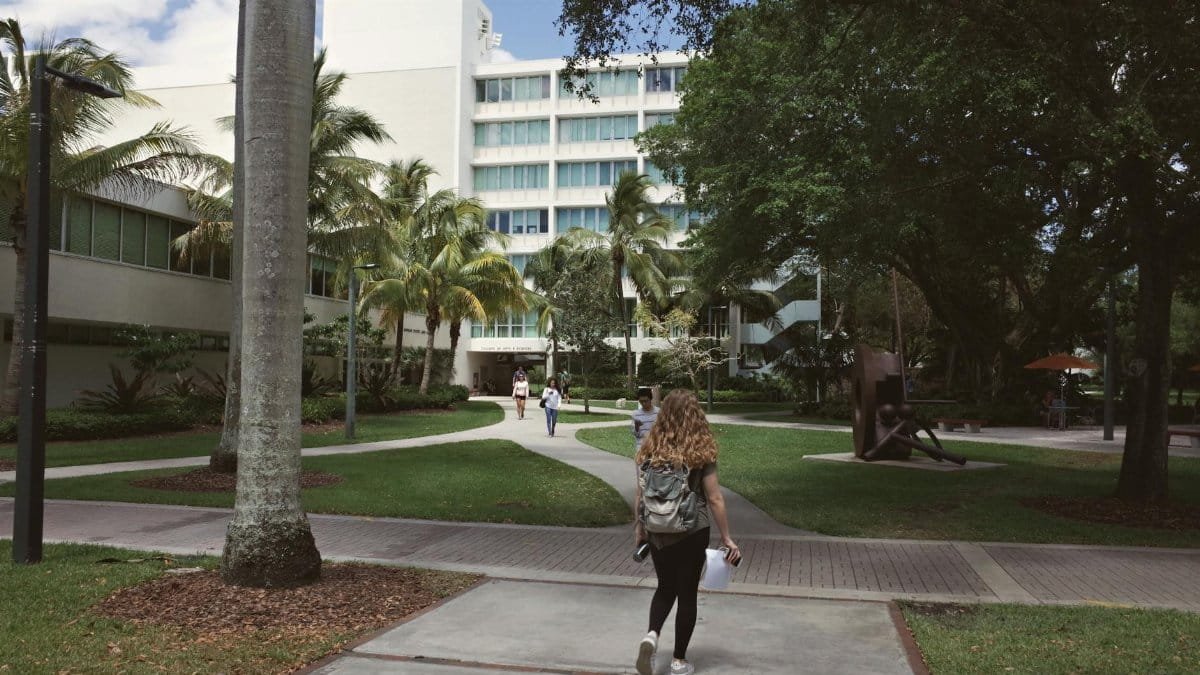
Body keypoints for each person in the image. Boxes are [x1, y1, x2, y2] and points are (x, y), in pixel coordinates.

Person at [634, 390, 740, 675]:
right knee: (687, 593)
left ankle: (652, 635)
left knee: (664, 587)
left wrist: (640, 529)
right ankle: (678, 661)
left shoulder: (649, 449)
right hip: (692, 531)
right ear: (695, 415)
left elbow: (640, 494)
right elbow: (714, 498)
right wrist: (727, 538)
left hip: (657, 530)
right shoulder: (700, 452)